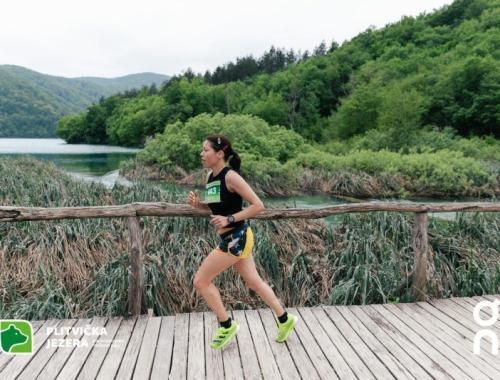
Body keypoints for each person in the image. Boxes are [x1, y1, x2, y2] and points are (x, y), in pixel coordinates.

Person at [188, 134, 298, 349]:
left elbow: (258, 205)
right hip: (232, 238)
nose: (202, 154)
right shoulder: (211, 176)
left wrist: (229, 219)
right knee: (254, 282)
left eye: (205, 150)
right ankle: (285, 319)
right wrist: (198, 205)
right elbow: (216, 208)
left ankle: (226, 325)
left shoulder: (231, 177)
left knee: (200, 281)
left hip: (236, 238)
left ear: (219, 154)